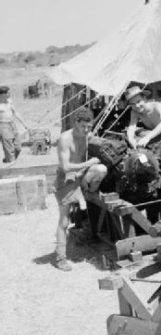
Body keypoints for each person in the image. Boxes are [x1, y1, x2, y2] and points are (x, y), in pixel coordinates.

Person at [54, 108, 107, 271]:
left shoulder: (88, 135)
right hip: (66, 181)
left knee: (102, 169)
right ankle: (60, 258)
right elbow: (65, 166)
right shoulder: (65, 139)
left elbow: (98, 141)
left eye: (89, 127)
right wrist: (88, 163)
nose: (86, 130)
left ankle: (87, 194)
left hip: (81, 178)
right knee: (64, 221)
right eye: (83, 126)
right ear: (76, 122)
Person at [125, 86, 161, 175]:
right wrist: (130, 139)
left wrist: (147, 138)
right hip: (158, 142)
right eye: (133, 104)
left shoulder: (157, 106)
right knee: (156, 169)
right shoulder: (135, 112)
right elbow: (132, 126)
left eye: (138, 101)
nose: (137, 106)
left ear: (144, 98)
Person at [0, 85, 29, 163]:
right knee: (9, 148)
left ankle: (8, 159)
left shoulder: (9, 101)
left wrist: (24, 124)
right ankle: (10, 161)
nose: (10, 94)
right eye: (8, 93)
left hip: (12, 124)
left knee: (18, 147)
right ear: (2, 94)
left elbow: (15, 112)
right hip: (3, 125)